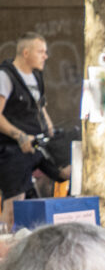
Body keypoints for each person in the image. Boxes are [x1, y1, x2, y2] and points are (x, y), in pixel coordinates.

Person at [0, 32, 68, 228]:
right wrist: (20, 137)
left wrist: (50, 129)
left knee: (66, 171)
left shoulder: (37, 75)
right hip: (13, 149)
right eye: (41, 51)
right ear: (26, 52)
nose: (45, 56)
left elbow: (40, 107)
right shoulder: (6, 75)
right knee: (13, 205)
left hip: (38, 143)